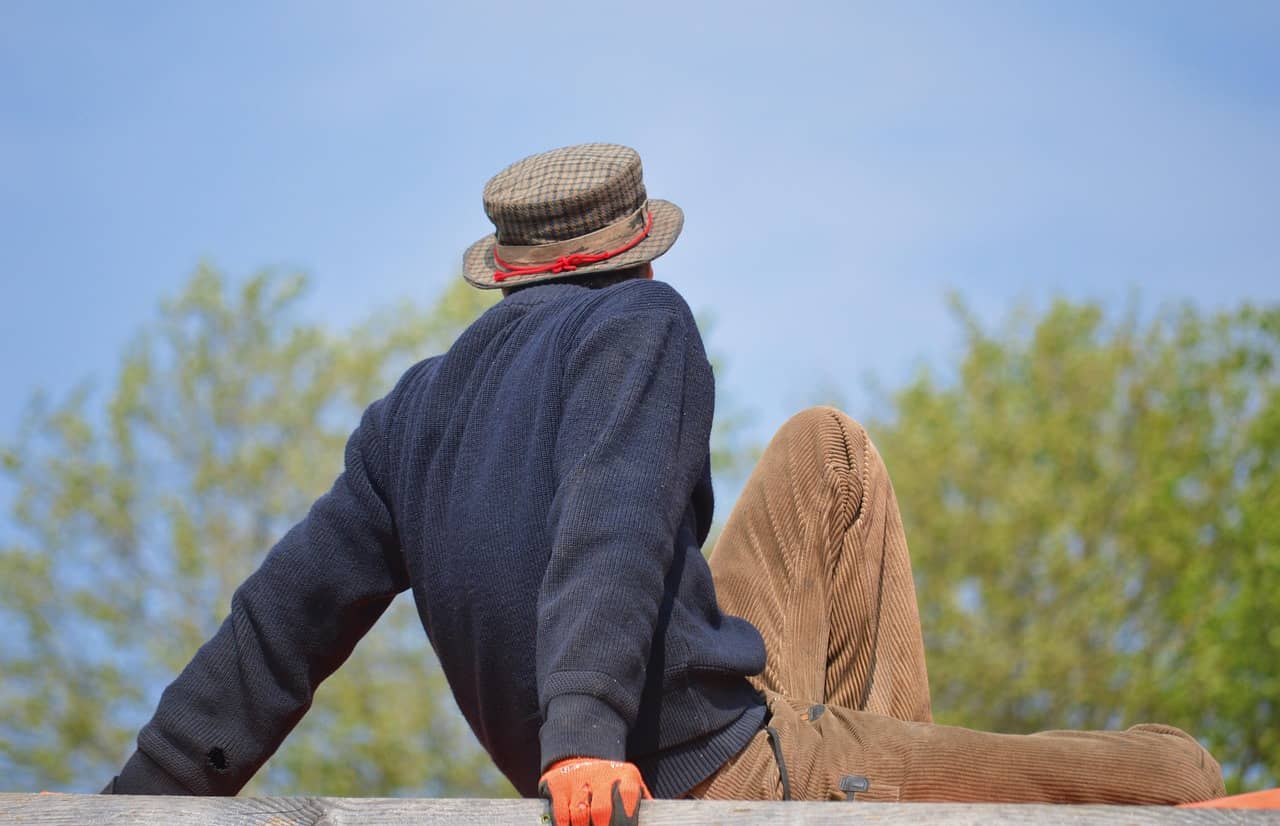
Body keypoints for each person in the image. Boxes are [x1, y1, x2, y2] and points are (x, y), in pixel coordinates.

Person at [103, 144, 1224, 823]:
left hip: (695, 715)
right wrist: (581, 738)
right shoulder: (642, 322)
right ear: (635, 245)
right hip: (700, 771)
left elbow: (273, 632)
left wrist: (136, 810)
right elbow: (612, 526)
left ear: (504, 271)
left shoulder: (413, 412)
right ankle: (882, 796)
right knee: (1176, 764)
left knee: (823, 447)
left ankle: (877, 780)